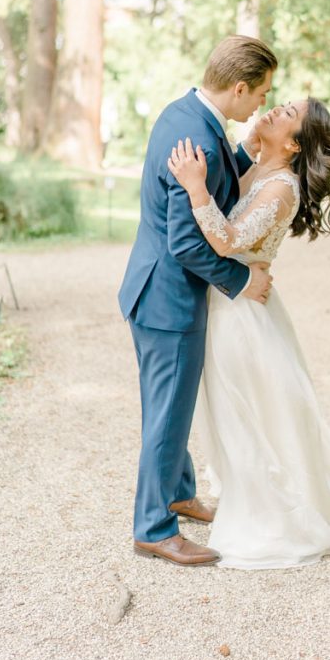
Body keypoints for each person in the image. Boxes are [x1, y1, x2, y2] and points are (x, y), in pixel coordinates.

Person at [167, 96, 330, 569]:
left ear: (295, 141)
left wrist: (195, 187)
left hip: (242, 312)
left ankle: (271, 515)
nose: (274, 109)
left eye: (286, 113)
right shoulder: (263, 168)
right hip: (231, 301)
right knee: (239, 409)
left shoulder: (282, 187)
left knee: (248, 410)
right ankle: (251, 491)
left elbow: (225, 239)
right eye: (281, 102)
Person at [118, 35, 278, 567]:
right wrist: (240, 280)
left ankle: (180, 493)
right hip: (169, 302)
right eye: (261, 94)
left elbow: (206, 188)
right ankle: (154, 529)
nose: (261, 104)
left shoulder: (184, 113)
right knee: (166, 415)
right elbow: (187, 242)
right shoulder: (200, 138)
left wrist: (245, 151)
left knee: (171, 407)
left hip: (149, 289)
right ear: (238, 87)